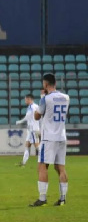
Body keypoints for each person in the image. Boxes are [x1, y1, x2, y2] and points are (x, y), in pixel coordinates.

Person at [30, 73, 70, 207]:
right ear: (56, 84)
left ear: (45, 84)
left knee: (42, 166)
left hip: (48, 138)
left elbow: (37, 116)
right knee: (60, 167)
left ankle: (42, 199)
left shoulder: (45, 99)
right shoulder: (66, 97)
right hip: (61, 136)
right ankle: (63, 198)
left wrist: (42, 97)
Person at [15, 94, 40, 167]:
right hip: (31, 129)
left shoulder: (32, 107)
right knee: (27, 145)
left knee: (37, 146)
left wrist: (20, 121)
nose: (25, 101)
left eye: (26, 99)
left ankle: (45, 159)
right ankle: (23, 163)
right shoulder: (34, 106)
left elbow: (27, 117)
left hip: (33, 129)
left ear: (29, 99)